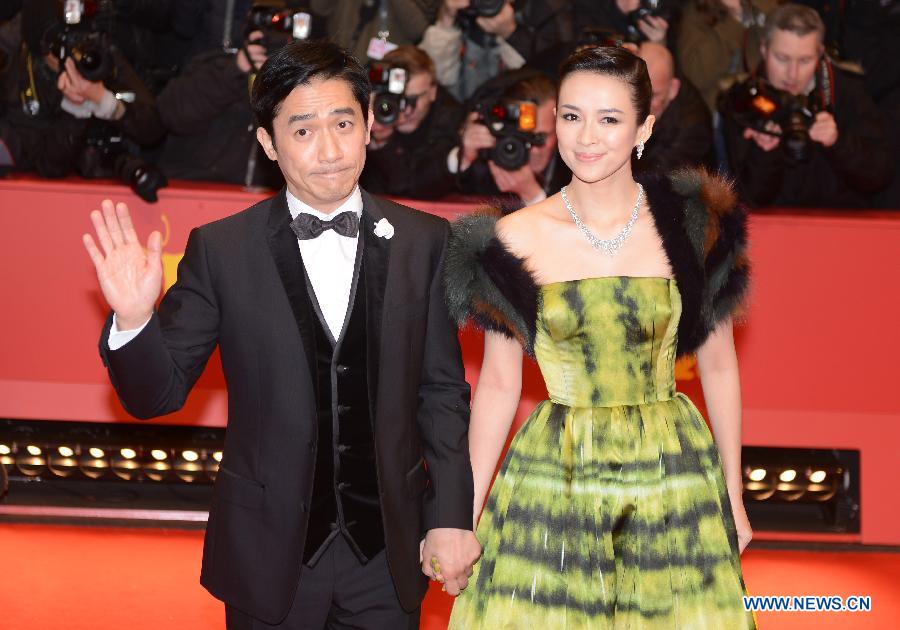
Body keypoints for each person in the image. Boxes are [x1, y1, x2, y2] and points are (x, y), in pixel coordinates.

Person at [82, 40, 481, 629]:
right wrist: (136, 320)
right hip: (269, 555)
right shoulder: (222, 250)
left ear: (369, 125)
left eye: (343, 123)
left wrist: (450, 516)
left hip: (388, 553)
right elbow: (154, 396)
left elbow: (442, 395)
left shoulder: (425, 242)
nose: (328, 149)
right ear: (268, 143)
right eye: (302, 130)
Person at [443, 45, 756, 627]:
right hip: (557, 475)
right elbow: (496, 386)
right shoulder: (512, 238)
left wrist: (733, 496)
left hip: (672, 475)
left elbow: (718, 366)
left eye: (609, 119)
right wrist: (463, 514)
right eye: (571, 115)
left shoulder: (694, 225)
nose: (586, 137)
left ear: (644, 127)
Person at [720, 3, 893, 208]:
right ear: (764, 49)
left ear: (820, 53)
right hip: (774, 227)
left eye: (805, 60)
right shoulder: (744, 101)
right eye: (782, 58)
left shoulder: (848, 92)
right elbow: (745, 201)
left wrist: (838, 143)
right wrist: (765, 155)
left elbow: (879, 178)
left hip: (839, 225)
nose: (792, 74)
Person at [360, 45, 463, 198]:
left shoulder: (451, 121)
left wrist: (386, 145)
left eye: (413, 99)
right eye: (397, 99)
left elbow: (415, 189)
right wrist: (375, 139)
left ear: (433, 92)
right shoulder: (370, 112)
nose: (407, 110)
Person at [455, 70, 569, 207]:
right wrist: (463, 157)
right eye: (522, 135)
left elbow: (582, 226)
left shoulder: (576, 169)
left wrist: (533, 196)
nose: (533, 150)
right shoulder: (490, 152)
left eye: (540, 137)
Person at [420, 0, 573, 101]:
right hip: (463, 114)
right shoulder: (464, 8)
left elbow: (553, 83)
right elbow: (435, 79)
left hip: (520, 115)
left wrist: (512, 34)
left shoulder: (545, 9)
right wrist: (446, 21)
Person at [677, 0, 777, 113]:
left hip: (760, 101)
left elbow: (776, 43)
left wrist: (753, 11)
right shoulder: (696, 13)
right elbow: (697, 76)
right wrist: (735, 19)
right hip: (716, 112)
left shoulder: (762, 6)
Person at [634, 41, 714, 174]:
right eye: (636, 91)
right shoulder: (662, 82)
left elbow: (653, 182)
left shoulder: (692, 130)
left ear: (673, 89)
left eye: (653, 95)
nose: (641, 103)